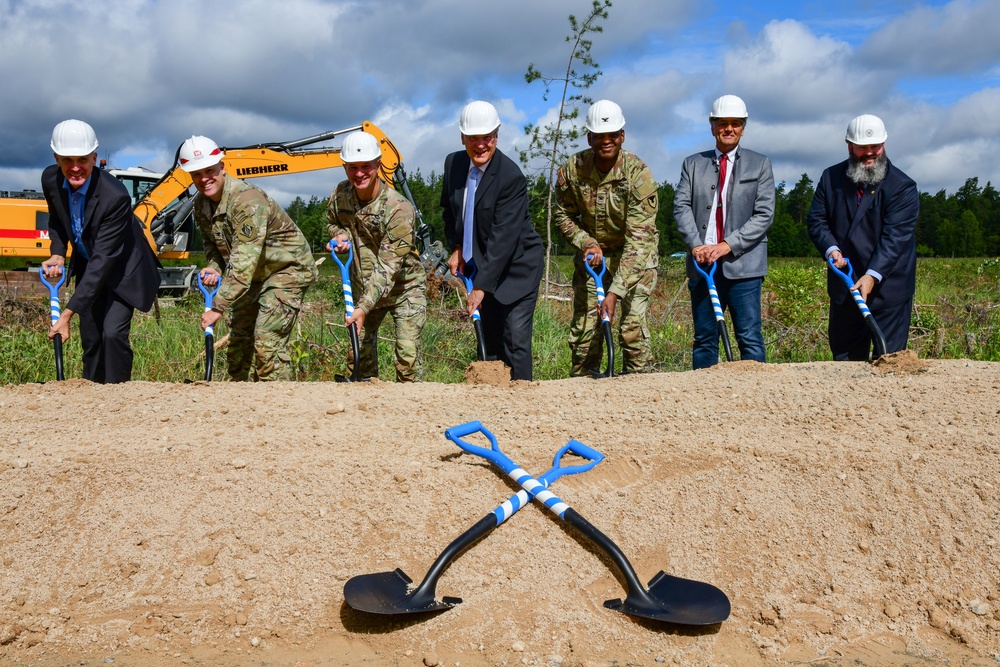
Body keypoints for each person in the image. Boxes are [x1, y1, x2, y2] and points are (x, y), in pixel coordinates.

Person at [180, 135, 318, 381]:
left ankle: (280, 405)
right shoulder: (201, 204)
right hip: (254, 275)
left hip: (287, 271)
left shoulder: (247, 201)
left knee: (267, 342)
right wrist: (214, 268)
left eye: (209, 171)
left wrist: (217, 307)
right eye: (196, 174)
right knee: (239, 343)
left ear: (222, 167)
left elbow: (244, 261)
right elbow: (212, 245)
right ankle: (240, 405)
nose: (204, 179)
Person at [40, 119, 161, 383]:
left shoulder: (114, 196)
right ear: (56, 158)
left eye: (82, 159)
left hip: (124, 269)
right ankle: (91, 395)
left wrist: (67, 314)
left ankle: (117, 397)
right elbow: (57, 218)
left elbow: (103, 260)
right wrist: (58, 252)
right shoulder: (50, 179)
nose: (75, 168)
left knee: (112, 334)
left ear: (94, 157)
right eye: (67, 159)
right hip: (88, 261)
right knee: (91, 337)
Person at [553, 100, 659, 376]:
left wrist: (614, 293)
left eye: (612, 135)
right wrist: (586, 242)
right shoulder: (572, 170)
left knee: (631, 329)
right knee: (586, 332)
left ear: (622, 136)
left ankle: (638, 392)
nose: (606, 141)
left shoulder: (638, 174)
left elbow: (640, 240)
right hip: (594, 259)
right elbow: (562, 215)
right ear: (590, 137)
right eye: (599, 136)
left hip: (634, 258)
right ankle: (583, 393)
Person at [440, 100, 543, 381]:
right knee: (488, 343)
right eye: (473, 138)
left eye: (487, 137)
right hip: (481, 265)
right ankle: (491, 404)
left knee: (514, 341)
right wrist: (458, 246)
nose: (481, 145)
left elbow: (503, 239)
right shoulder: (454, 164)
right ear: (463, 137)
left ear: (496, 136)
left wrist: (481, 287)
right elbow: (449, 211)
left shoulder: (510, 178)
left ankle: (522, 401)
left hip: (516, 269)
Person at [674, 95, 775, 369]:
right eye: (722, 123)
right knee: (705, 338)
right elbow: (681, 207)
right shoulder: (692, 164)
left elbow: (764, 214)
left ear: (743, 127)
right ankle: (705, 399)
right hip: (702, 265)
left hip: (744, 268)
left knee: (749, 338)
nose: (728, 129)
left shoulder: (760, 164)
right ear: (712, 126)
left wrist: (726, 245)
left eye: (735, 124)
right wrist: (696, 246)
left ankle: (755, 398)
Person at [806, 114, 919, 360]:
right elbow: (817, 221)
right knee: (845, 361)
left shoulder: (902, 186)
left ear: (884, 145)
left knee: (888, 361)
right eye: (862, 148)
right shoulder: (830, 178)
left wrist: (872, 275)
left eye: (875, 147)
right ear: (849, 146)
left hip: (889, 290)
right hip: (845, 284)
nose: (869, 153)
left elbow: (895, 238)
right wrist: (831, 249)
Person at [326, 131, 427, 381]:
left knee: (408, 357)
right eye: (352, 167)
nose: (359, 173)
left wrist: (362, 308)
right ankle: (364, 413)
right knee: (358, 356)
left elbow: (387, 268)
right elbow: (331, 222)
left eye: (366, 167)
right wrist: (340, 235)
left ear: (378, 166)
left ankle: (413, 410)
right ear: (344, 167)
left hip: (404, 289)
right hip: (364, 287)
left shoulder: (398, 209)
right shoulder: (340, 195)